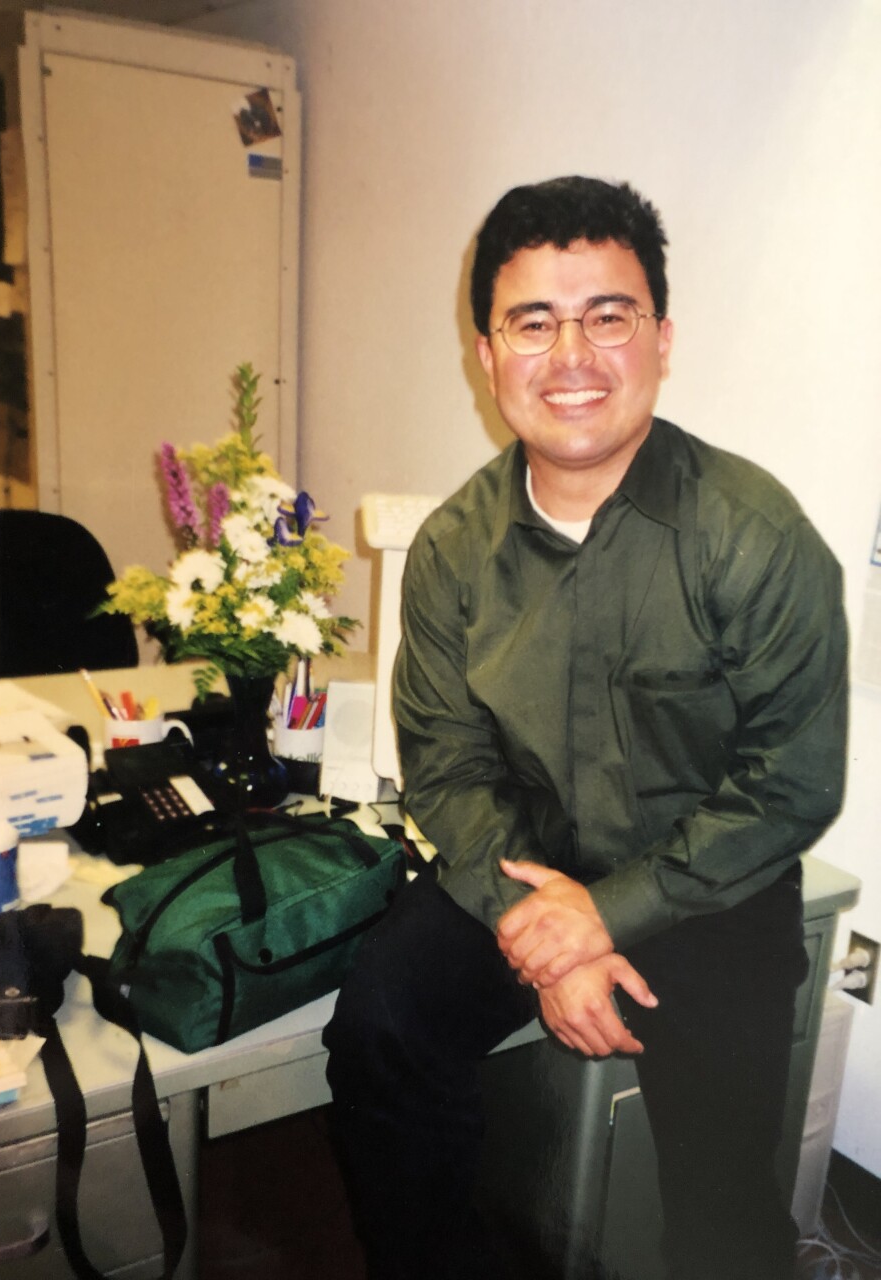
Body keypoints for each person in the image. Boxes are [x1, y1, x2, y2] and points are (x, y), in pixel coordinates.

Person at [323, 176, 848, 1280]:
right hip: (521, 860)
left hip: (709, 880)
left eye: (607, 316)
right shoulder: (454, 549)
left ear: (662, 338)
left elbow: (790, 785)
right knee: (382, 1024)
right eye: (534, 323)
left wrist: (605, 915)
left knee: (722, 1203)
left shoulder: (753, 535)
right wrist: (545, 924)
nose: (571, 356)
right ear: (487, 354)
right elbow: (449, 766)